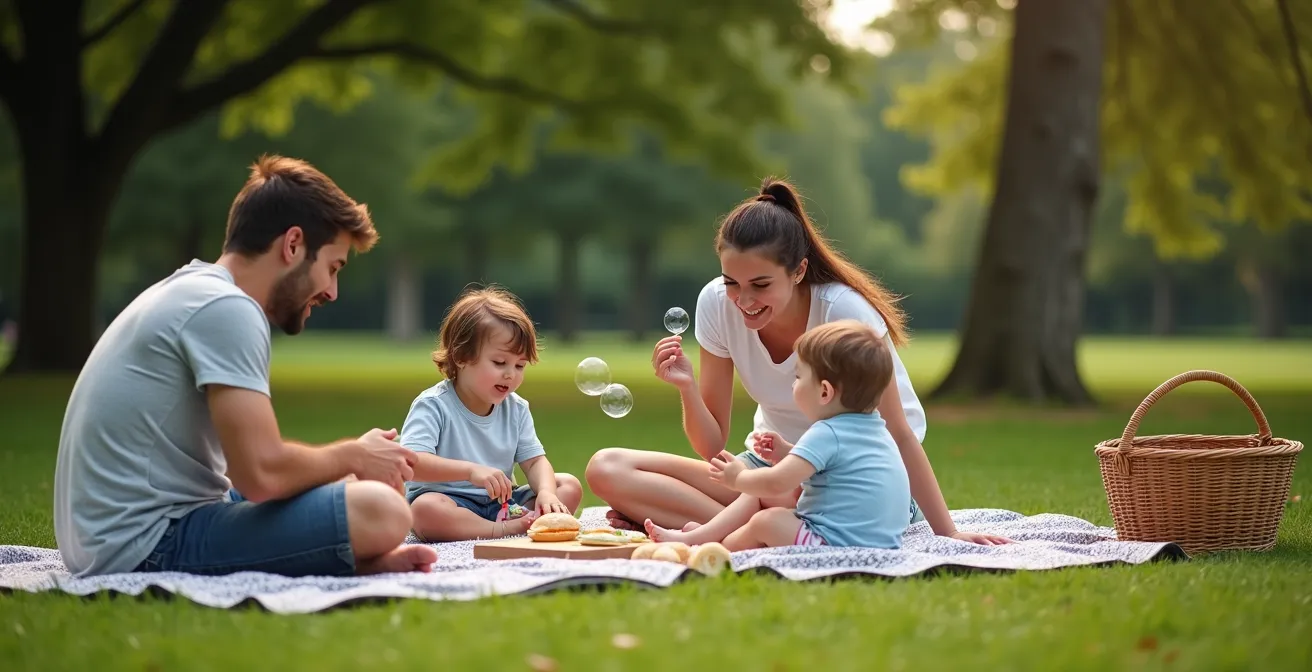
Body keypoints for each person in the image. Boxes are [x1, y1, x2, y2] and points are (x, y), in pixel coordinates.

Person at [52, 155, 438, 578]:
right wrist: (353, 454)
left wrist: (354, 465)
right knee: (383, 510)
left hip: (118, 537)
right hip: (145, 544)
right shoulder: (227, 308)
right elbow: (261, 474)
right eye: (332, 267)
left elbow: (248, 471)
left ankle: (355, 560)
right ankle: (354, 550)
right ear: (293, 245)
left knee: (352, 490)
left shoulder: (195, 289)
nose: (332, 292)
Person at [585, 177, 1010, 546]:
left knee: (760, 498)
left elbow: (899, 433)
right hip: (772, 474)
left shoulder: (845, 314)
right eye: (732, 281)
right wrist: (687, 388)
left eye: (760, 284)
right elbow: (713, 448)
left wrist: (948, 532)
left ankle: (730, 532)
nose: (743, 301)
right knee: (607, 468)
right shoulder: (716, 303)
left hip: (849, 485)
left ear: (799, 270)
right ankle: (747, 532)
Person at [646, 320, 913, 550]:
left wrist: (738, 477)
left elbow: (776, 483)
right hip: (878, 542)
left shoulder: (827, 432)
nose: (794, 384)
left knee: (767, 520)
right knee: (761, 496)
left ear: (824, 392)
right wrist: (786, 451)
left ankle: (717, 548)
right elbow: (831, 467)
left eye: (798, 376)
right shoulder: (874, 427)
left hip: (834, 545)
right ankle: (701, 536)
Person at [400, 286, 582, 541]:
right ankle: (504, 530)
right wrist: (470, 471)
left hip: (504, 504)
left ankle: (516, 522)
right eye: (499, 363)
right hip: (450, 502)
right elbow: (413, 464)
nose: (511, 374)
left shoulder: (516, 408)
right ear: (461, 356)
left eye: (520, 365)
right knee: (425, 510)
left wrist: (547, 493)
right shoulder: (434, 405)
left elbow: (534, 462)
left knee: (567, 486)